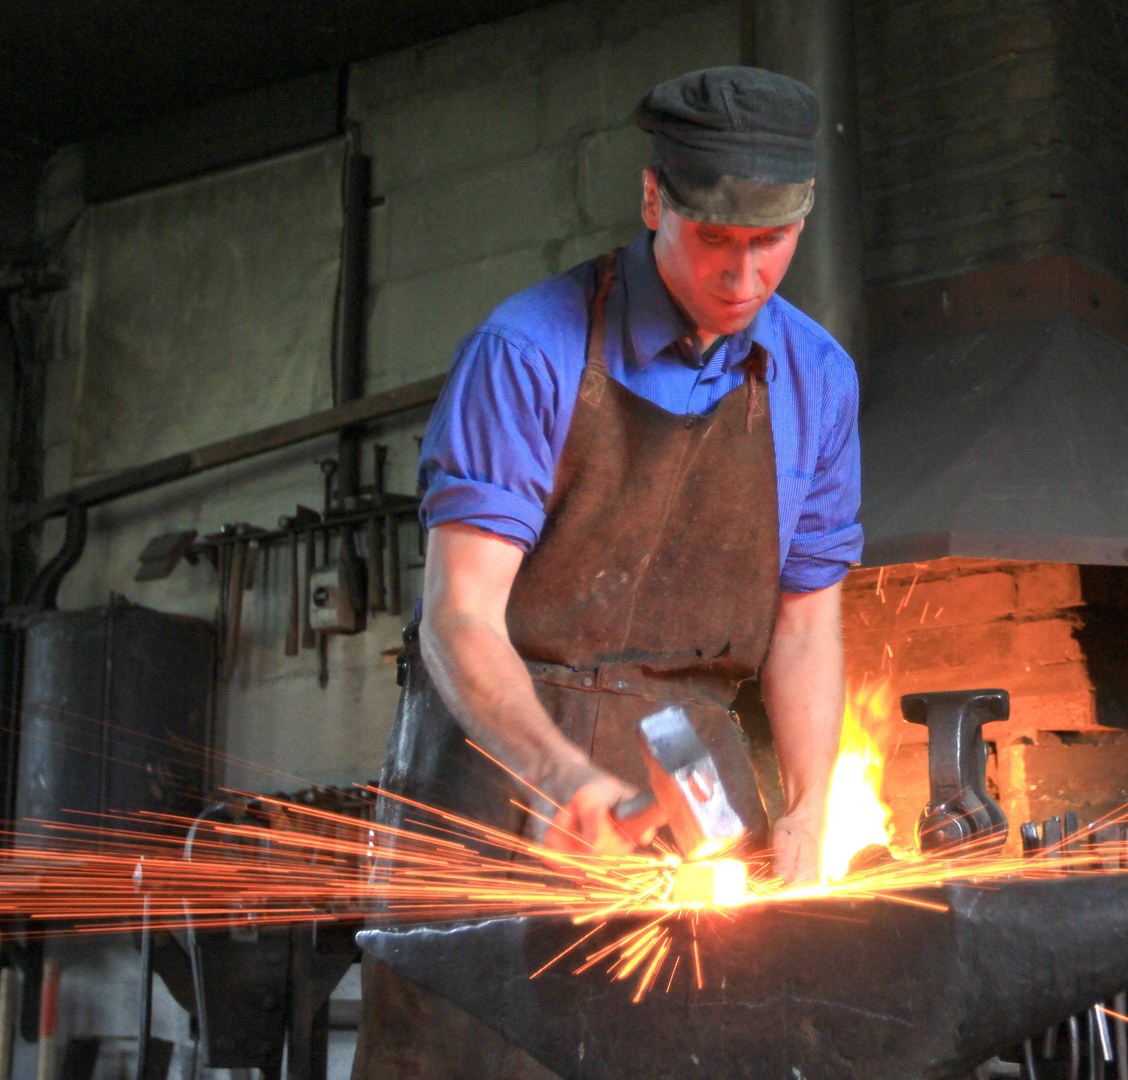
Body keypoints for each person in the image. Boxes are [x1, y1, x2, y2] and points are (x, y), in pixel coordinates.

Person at [352, 66, 861, 1080]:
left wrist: (806, 808)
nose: (745, 276)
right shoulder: (526, 349)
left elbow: (805, 625)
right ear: (652, 202)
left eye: (773, 243)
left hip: (689, 754)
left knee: (704, 1049)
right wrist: (558, 771)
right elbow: (459, 616)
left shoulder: (816, 376)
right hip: (497, 759)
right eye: (716, 239)